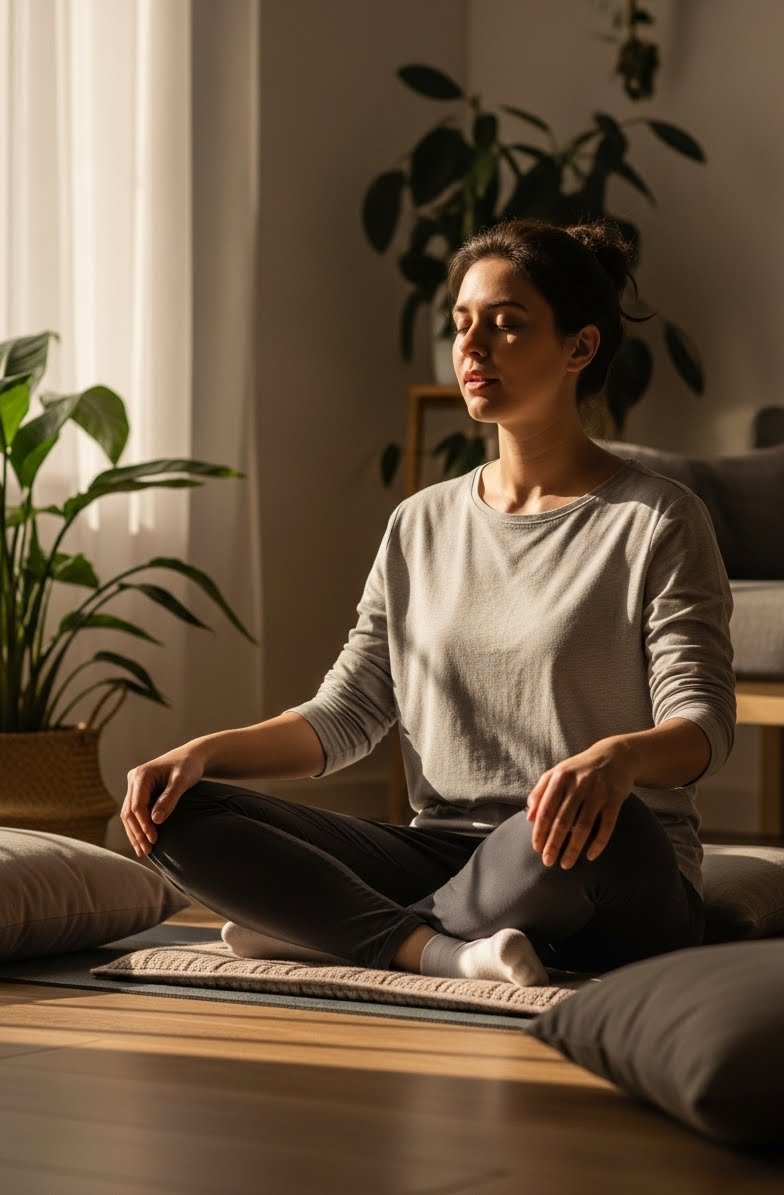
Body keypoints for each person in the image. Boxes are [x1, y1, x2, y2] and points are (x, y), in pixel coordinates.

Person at [120, 217, 736, 986]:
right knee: (175, 813)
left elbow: (703, 723)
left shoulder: (657, 519)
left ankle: (328, 926)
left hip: (592, 858)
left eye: (507, 326)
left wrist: (620, 756)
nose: (473, 348)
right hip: (445, 852)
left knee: (594, 836)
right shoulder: (420, 522)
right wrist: (205, 751)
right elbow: (345, 715)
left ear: (580, 347)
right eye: (463, 324)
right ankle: (433, 950)